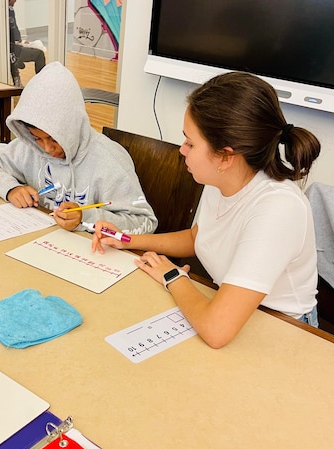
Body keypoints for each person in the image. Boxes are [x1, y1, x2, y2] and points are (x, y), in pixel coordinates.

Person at [90, 71, 321, 348]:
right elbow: (199, 238)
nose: (182, 150)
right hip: (232, 311)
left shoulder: (278, 208)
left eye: (190, 142)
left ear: (225, 156)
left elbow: (216, 330)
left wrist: (172, 276)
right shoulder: (223, 177)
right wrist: (126, 240)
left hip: (284, 330)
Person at [0, 61, 157, 235]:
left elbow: (145, 224)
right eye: (38, 138)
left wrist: (86, 218)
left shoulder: (109, 161)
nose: (48, 149)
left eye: (54, 138)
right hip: (41, 242)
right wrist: (10, 189)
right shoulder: (30, 148)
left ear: (72, 125)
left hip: (89, 255)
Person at [9, 0, 46, 87]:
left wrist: (20, 41)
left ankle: (18, 73)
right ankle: (42, 84)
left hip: (15, 48)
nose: (16, 1)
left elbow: (14, 31)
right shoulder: (6, 12)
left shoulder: (10, 10)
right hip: (13, 50)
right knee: (39, 54)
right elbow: (12, 33)